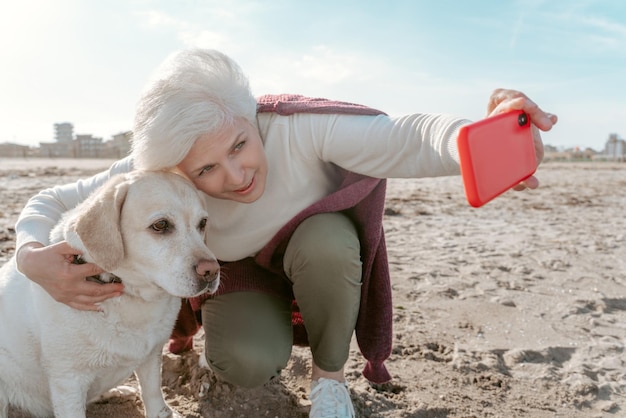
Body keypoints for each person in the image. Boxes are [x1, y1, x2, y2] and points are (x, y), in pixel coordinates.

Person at [14, 48, 557, 418]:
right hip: (239, 272)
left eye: (239, 146)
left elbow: (409, 136)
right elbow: (54, 201)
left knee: (327, 239)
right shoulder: (161, 166)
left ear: (251, 117)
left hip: (315, 259)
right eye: (206, 172)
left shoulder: (301, 129)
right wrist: (30, 256)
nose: (236, 175)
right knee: (243, 364)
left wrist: (479, 135)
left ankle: (329, 380)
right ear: (179, 168)